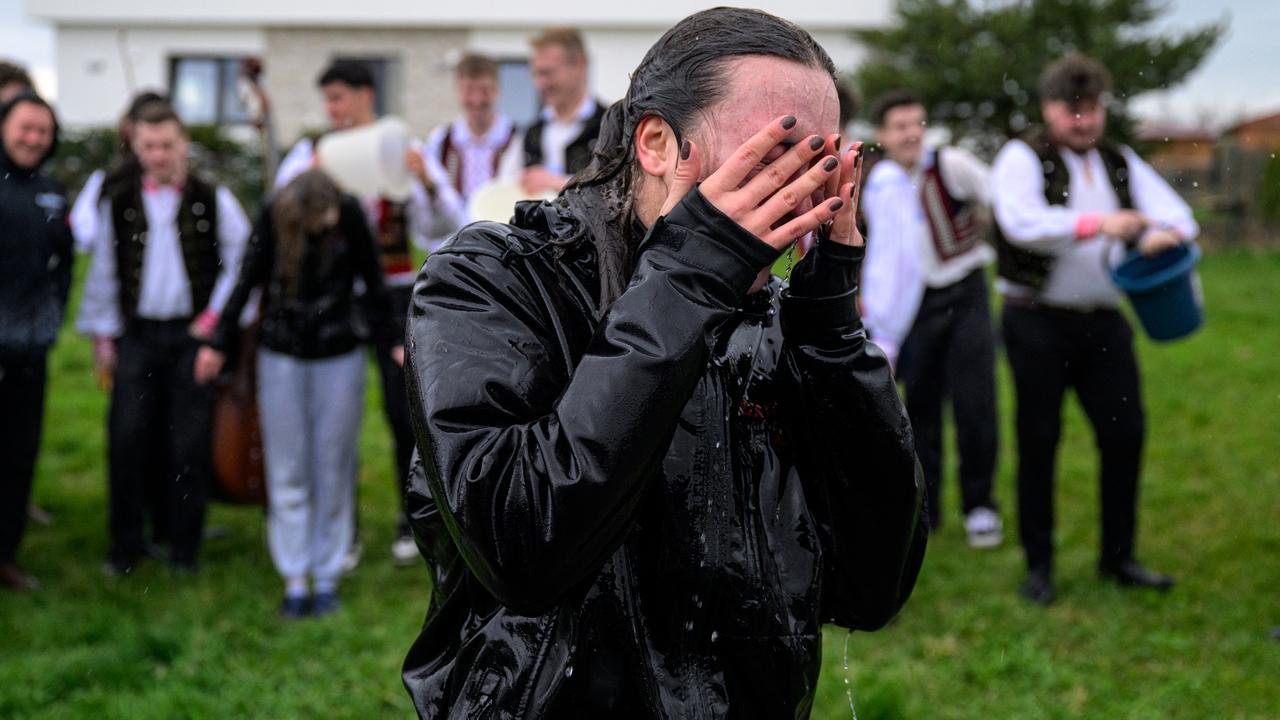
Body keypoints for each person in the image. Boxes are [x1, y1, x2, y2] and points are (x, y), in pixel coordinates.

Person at [400, 8, 927, 718]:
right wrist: (686, 280)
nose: (797, 192)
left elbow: (872, 585)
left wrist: (832, 337)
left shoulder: (776, 320)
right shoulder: (494, 278)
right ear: (656, 143)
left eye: (817, 163)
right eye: (772, 154)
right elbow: (519, 549)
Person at [991, 54, 1193, 605]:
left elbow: (1179, 215)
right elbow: (1021, 222)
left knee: (1125, 434)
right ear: (1048, 109)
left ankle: (1119, 557)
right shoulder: (1022, 157)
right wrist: (1098, 224)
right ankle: (1040, 567)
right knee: (1039, 440)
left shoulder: (1119, 160)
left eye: (1091, 109)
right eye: (1070, 110)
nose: (1083, 121)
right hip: (1035, 320)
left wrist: (1161, 233)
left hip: (1105, 323)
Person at [276, 59, 465, 567]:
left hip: (396, 294)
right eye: (328, 100)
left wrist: (425, 182)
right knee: (333, 418)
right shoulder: (310, 154)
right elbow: (281, 208)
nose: (331, 110)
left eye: (337, 98)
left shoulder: (405, 150)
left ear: (365, 96)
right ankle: (343, 528)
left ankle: (412, 521)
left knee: (403, 414)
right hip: (334, 299)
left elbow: (446, 226)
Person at [196, 169, 403, 617]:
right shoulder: (274, 212)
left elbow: (374, 280)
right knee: (286, 464)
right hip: (282, 354)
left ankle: (327, 574)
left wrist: (392, 341)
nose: (317, 229)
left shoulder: (349, 213)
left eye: (323, 223)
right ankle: (294, 577)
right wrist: (219, 340)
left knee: (333, 462)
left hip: (340, 353)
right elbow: (247, 278)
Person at [77, 102, 251, 575]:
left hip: (192, 338)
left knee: (188, 444)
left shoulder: (214, 199)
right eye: (148, 146)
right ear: (136, 146)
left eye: (166, 145)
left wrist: (215, 324)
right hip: (136, 336)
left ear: (183, 145)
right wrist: (103, 336)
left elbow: (242, 263)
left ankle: (183, 549)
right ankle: (125, 546)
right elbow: (106, 273)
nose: (158, 155)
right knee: (126, 438)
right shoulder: (121, 200)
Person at [861, 90, 1003, 547]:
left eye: (917, 123)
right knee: (919, 408)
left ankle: (980, 504)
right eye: (900, 126)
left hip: (965, 294)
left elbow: (1004, 198)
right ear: (882, 134)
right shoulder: (879, 184)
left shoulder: (951, 165)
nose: (911, 133)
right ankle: (930, 505)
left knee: (975, 402)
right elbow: (884, 255)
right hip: (915, 306)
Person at [0, 91, 73, 592]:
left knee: (19, 456)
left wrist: (53, 319)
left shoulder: (52, 192)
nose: (33, 139)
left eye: (43, 131)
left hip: (32, 351)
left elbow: (65, 264)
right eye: (25, 128)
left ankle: (5, 555)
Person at [421, 52, 517, 248]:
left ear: (498, 90)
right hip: (452, 252)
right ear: (457, 90)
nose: (477, 99)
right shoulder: (440, 141)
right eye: (469, 90)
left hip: (503, 251)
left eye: (485, 90)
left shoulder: (517, 139)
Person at [497, 27, 608, 196]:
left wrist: (556, 183)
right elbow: (504, 187)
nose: (541, 83)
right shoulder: (530, 133)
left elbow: (620, 189)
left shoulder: (612, 125)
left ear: (579, 64)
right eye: (537, 74)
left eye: (548, 73)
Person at [70, 91, 169, 253]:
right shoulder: (108, 180)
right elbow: (85, 234)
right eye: (149, 144)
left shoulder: (195, 188)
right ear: (130, 130)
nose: (158, 155)